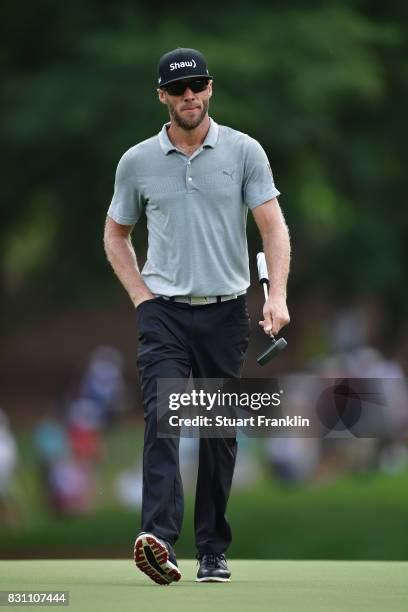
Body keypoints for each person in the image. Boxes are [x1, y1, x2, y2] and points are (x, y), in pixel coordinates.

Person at [104, 47, 291, 585]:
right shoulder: (136, 161)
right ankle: (159, 541)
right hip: (162, 312)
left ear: (210, 89)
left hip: (227, 311)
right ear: (162, 95)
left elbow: (272, 227)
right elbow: (116, 235)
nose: (190, 96)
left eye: (198, 86)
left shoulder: (244, 151)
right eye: (179, 89)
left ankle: (212, 547)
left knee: (216, 433)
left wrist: (275, 295)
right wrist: (141, 297)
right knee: (163, 416)